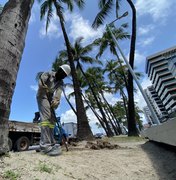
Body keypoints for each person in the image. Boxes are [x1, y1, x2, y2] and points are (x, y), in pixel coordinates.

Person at [36, 64, 71, 156]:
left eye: (64, 76)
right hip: (42, 95)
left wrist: (56, 100)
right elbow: (41, 82)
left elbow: (58, 92)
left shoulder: (60, 82)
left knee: (52, 121)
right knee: (46, 117)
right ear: (59, 70)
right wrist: (43, 86)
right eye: (62, 73)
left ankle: (51, 142)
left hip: (50, 97)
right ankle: (45, 146)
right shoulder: (48, 73)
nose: (62, 76)